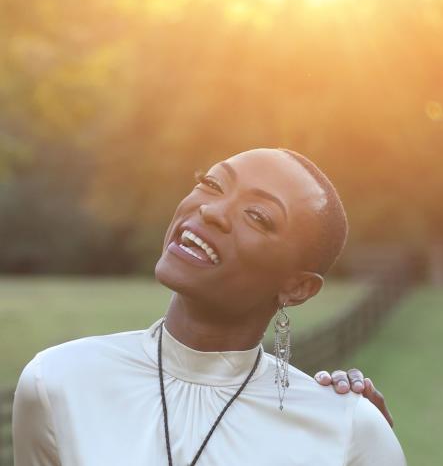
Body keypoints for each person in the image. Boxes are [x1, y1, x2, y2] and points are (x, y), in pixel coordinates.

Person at [12, 148, 405, 465]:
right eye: (212, 184)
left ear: (298, 287)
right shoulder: (56, 384)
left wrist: (358, 427)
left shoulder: (348, 432)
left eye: (257, 215)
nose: (211, 211)